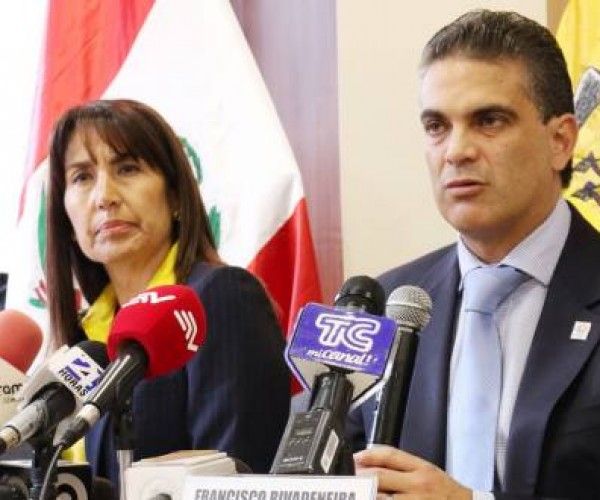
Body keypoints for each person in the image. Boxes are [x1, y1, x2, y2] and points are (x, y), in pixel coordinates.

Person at [347, 9, 600, 499]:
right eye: (436, 126)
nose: (456, 151)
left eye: (489, 121)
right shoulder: (388, 305)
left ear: (561, 141)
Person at [45, 99, 290, 485]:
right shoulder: (81, 341)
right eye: (82, 177)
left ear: (175, 195)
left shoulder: (221, 299)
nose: (104, 196)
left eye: (127, 169)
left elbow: (236, 480)